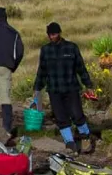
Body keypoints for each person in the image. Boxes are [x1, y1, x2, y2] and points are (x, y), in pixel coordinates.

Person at [33, 22, 96, 155]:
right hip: (54, 89)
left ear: (59, 33)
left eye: (54, 34)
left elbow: (81, 68)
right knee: (61, 117)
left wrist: (88, 85)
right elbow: (42, 71)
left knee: (77, 114)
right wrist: (37, 88)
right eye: (49, 35)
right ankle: (70, 143)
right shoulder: (45, 50)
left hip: (71, 87)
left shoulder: (72, 48)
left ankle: (85, 137)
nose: (52, 37)